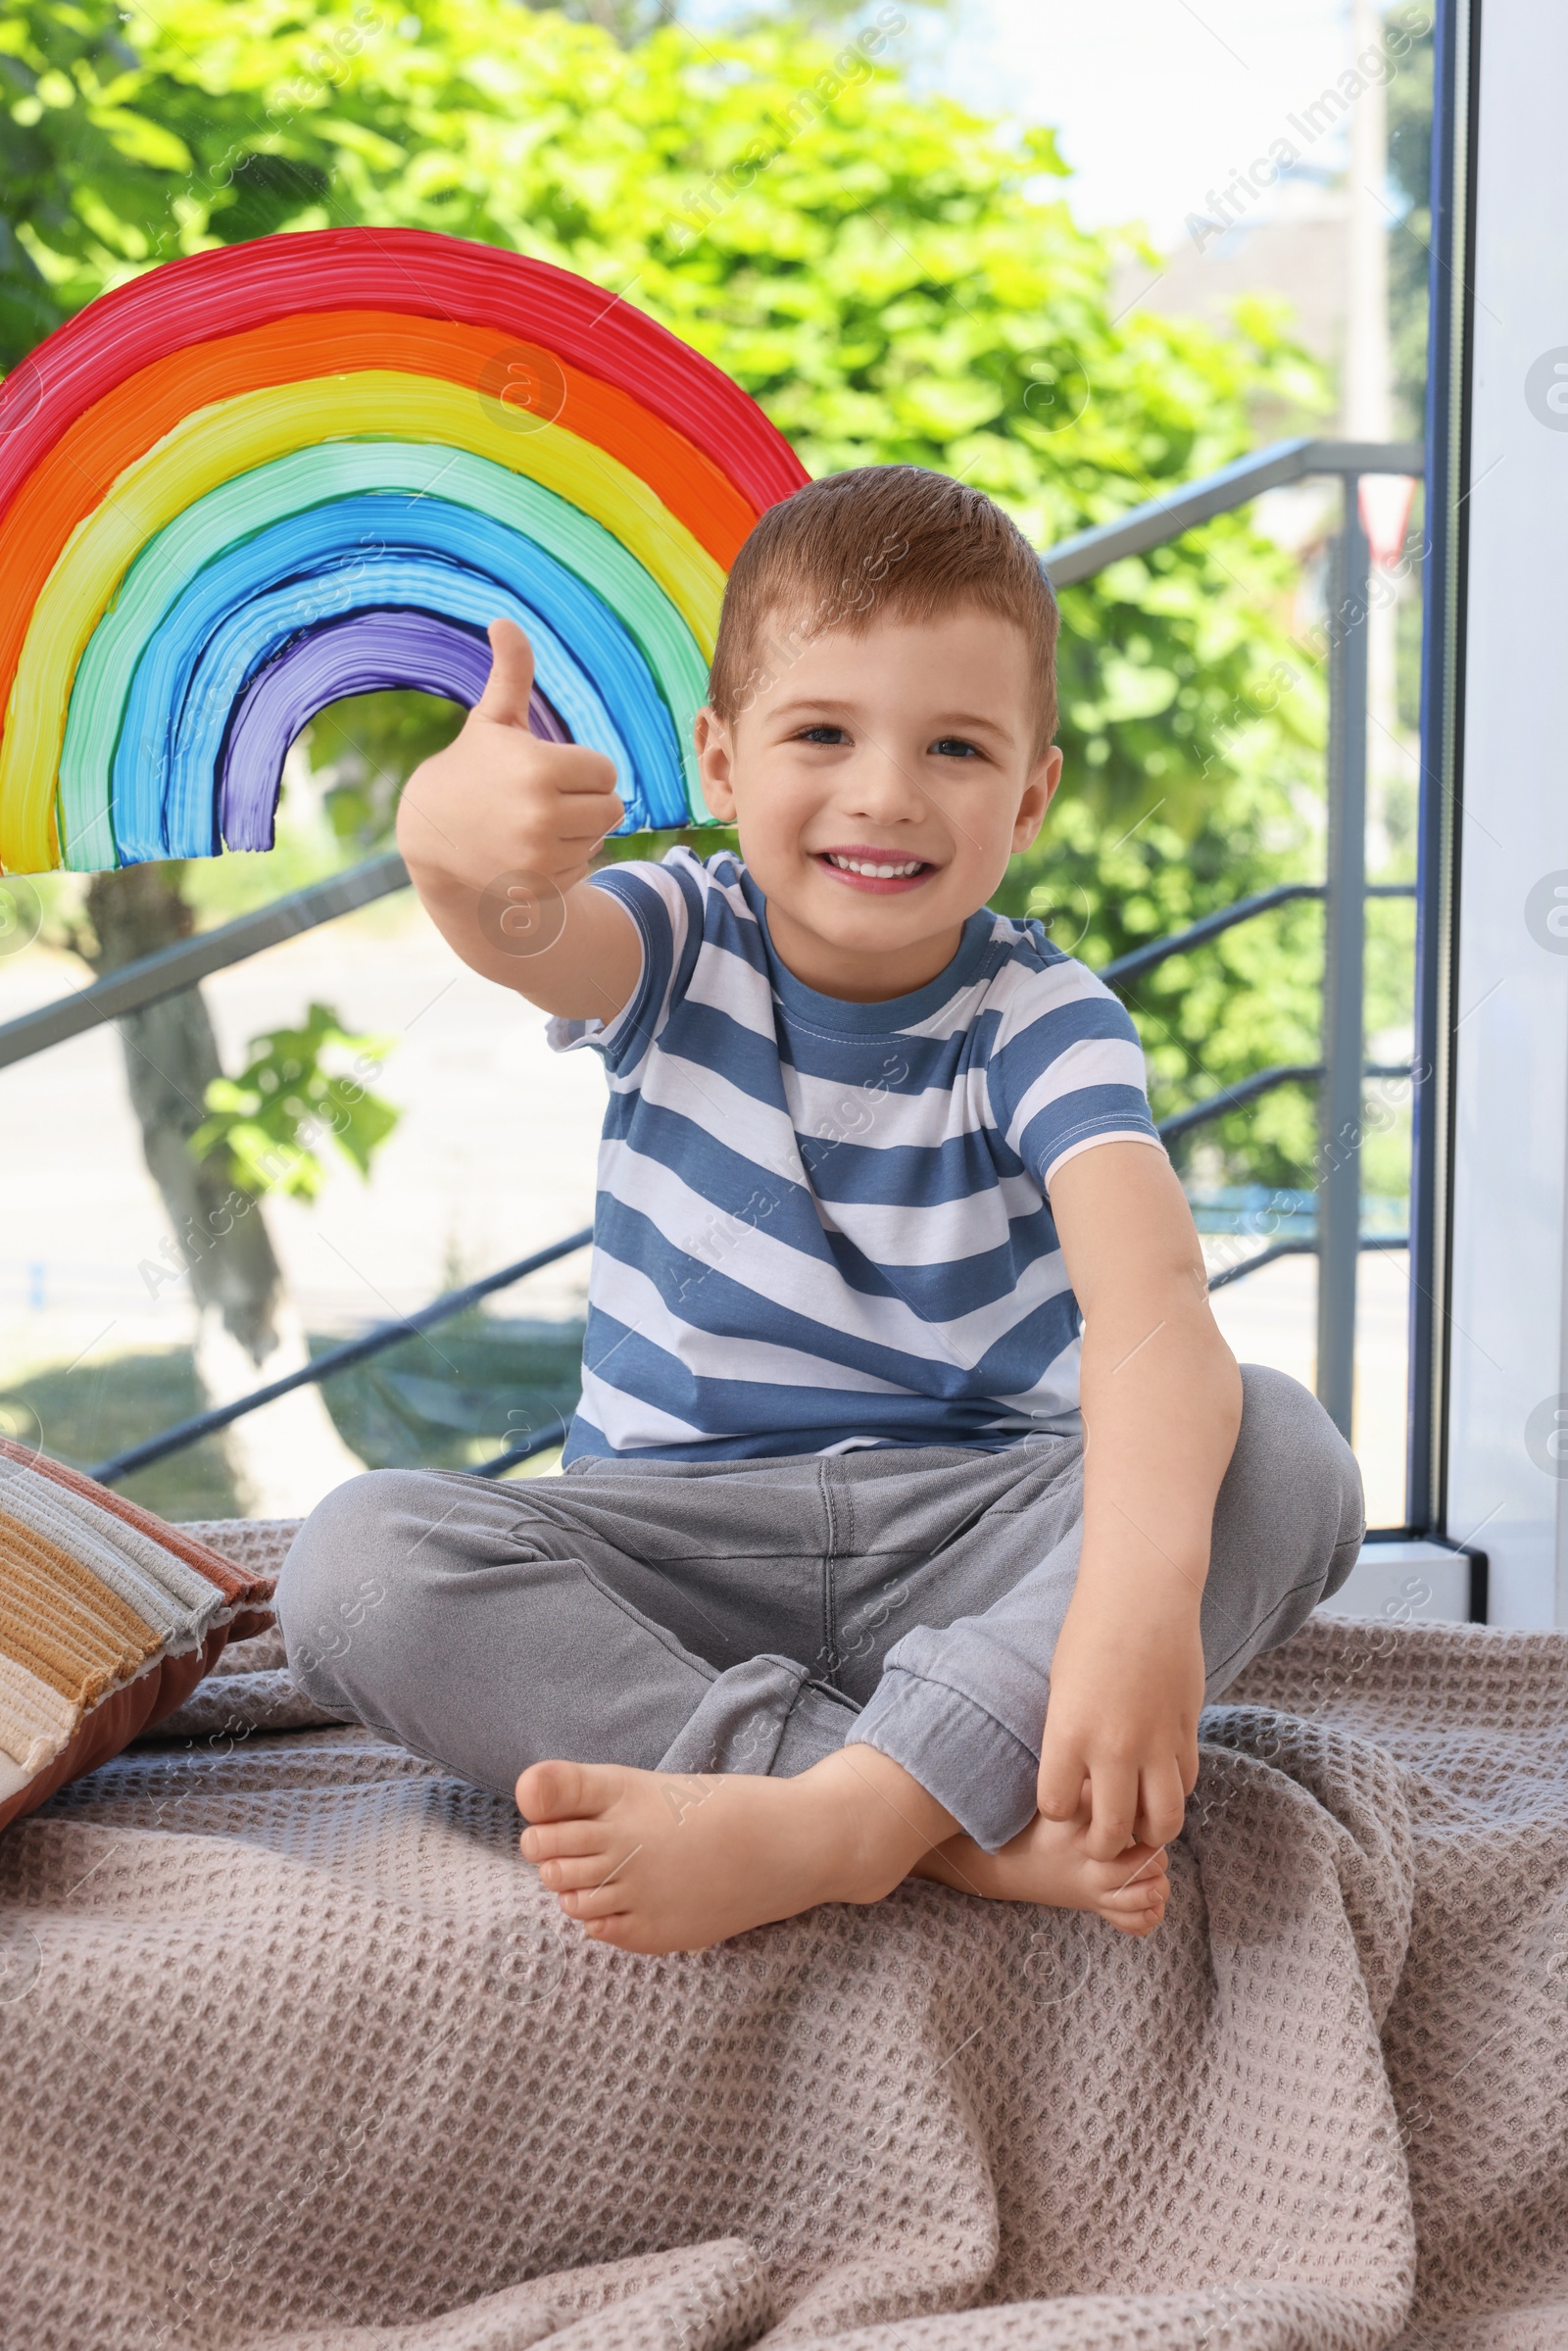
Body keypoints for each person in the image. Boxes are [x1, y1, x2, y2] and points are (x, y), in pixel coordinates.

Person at [276, 465, 1363, 1956]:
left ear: (1032, 793)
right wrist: (450, 846)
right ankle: (910, 1824)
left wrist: (1136, 1597)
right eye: (823, 733)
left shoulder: (1046, 1016)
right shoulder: (679, 937)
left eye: (958, 747)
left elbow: (1156, 1313)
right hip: (674, 1545)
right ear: (721, 761)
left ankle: (850, 1817)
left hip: (967, 1531)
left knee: (1280, 1445)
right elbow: (524, 933)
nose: (885, 793)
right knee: (354, 1567)